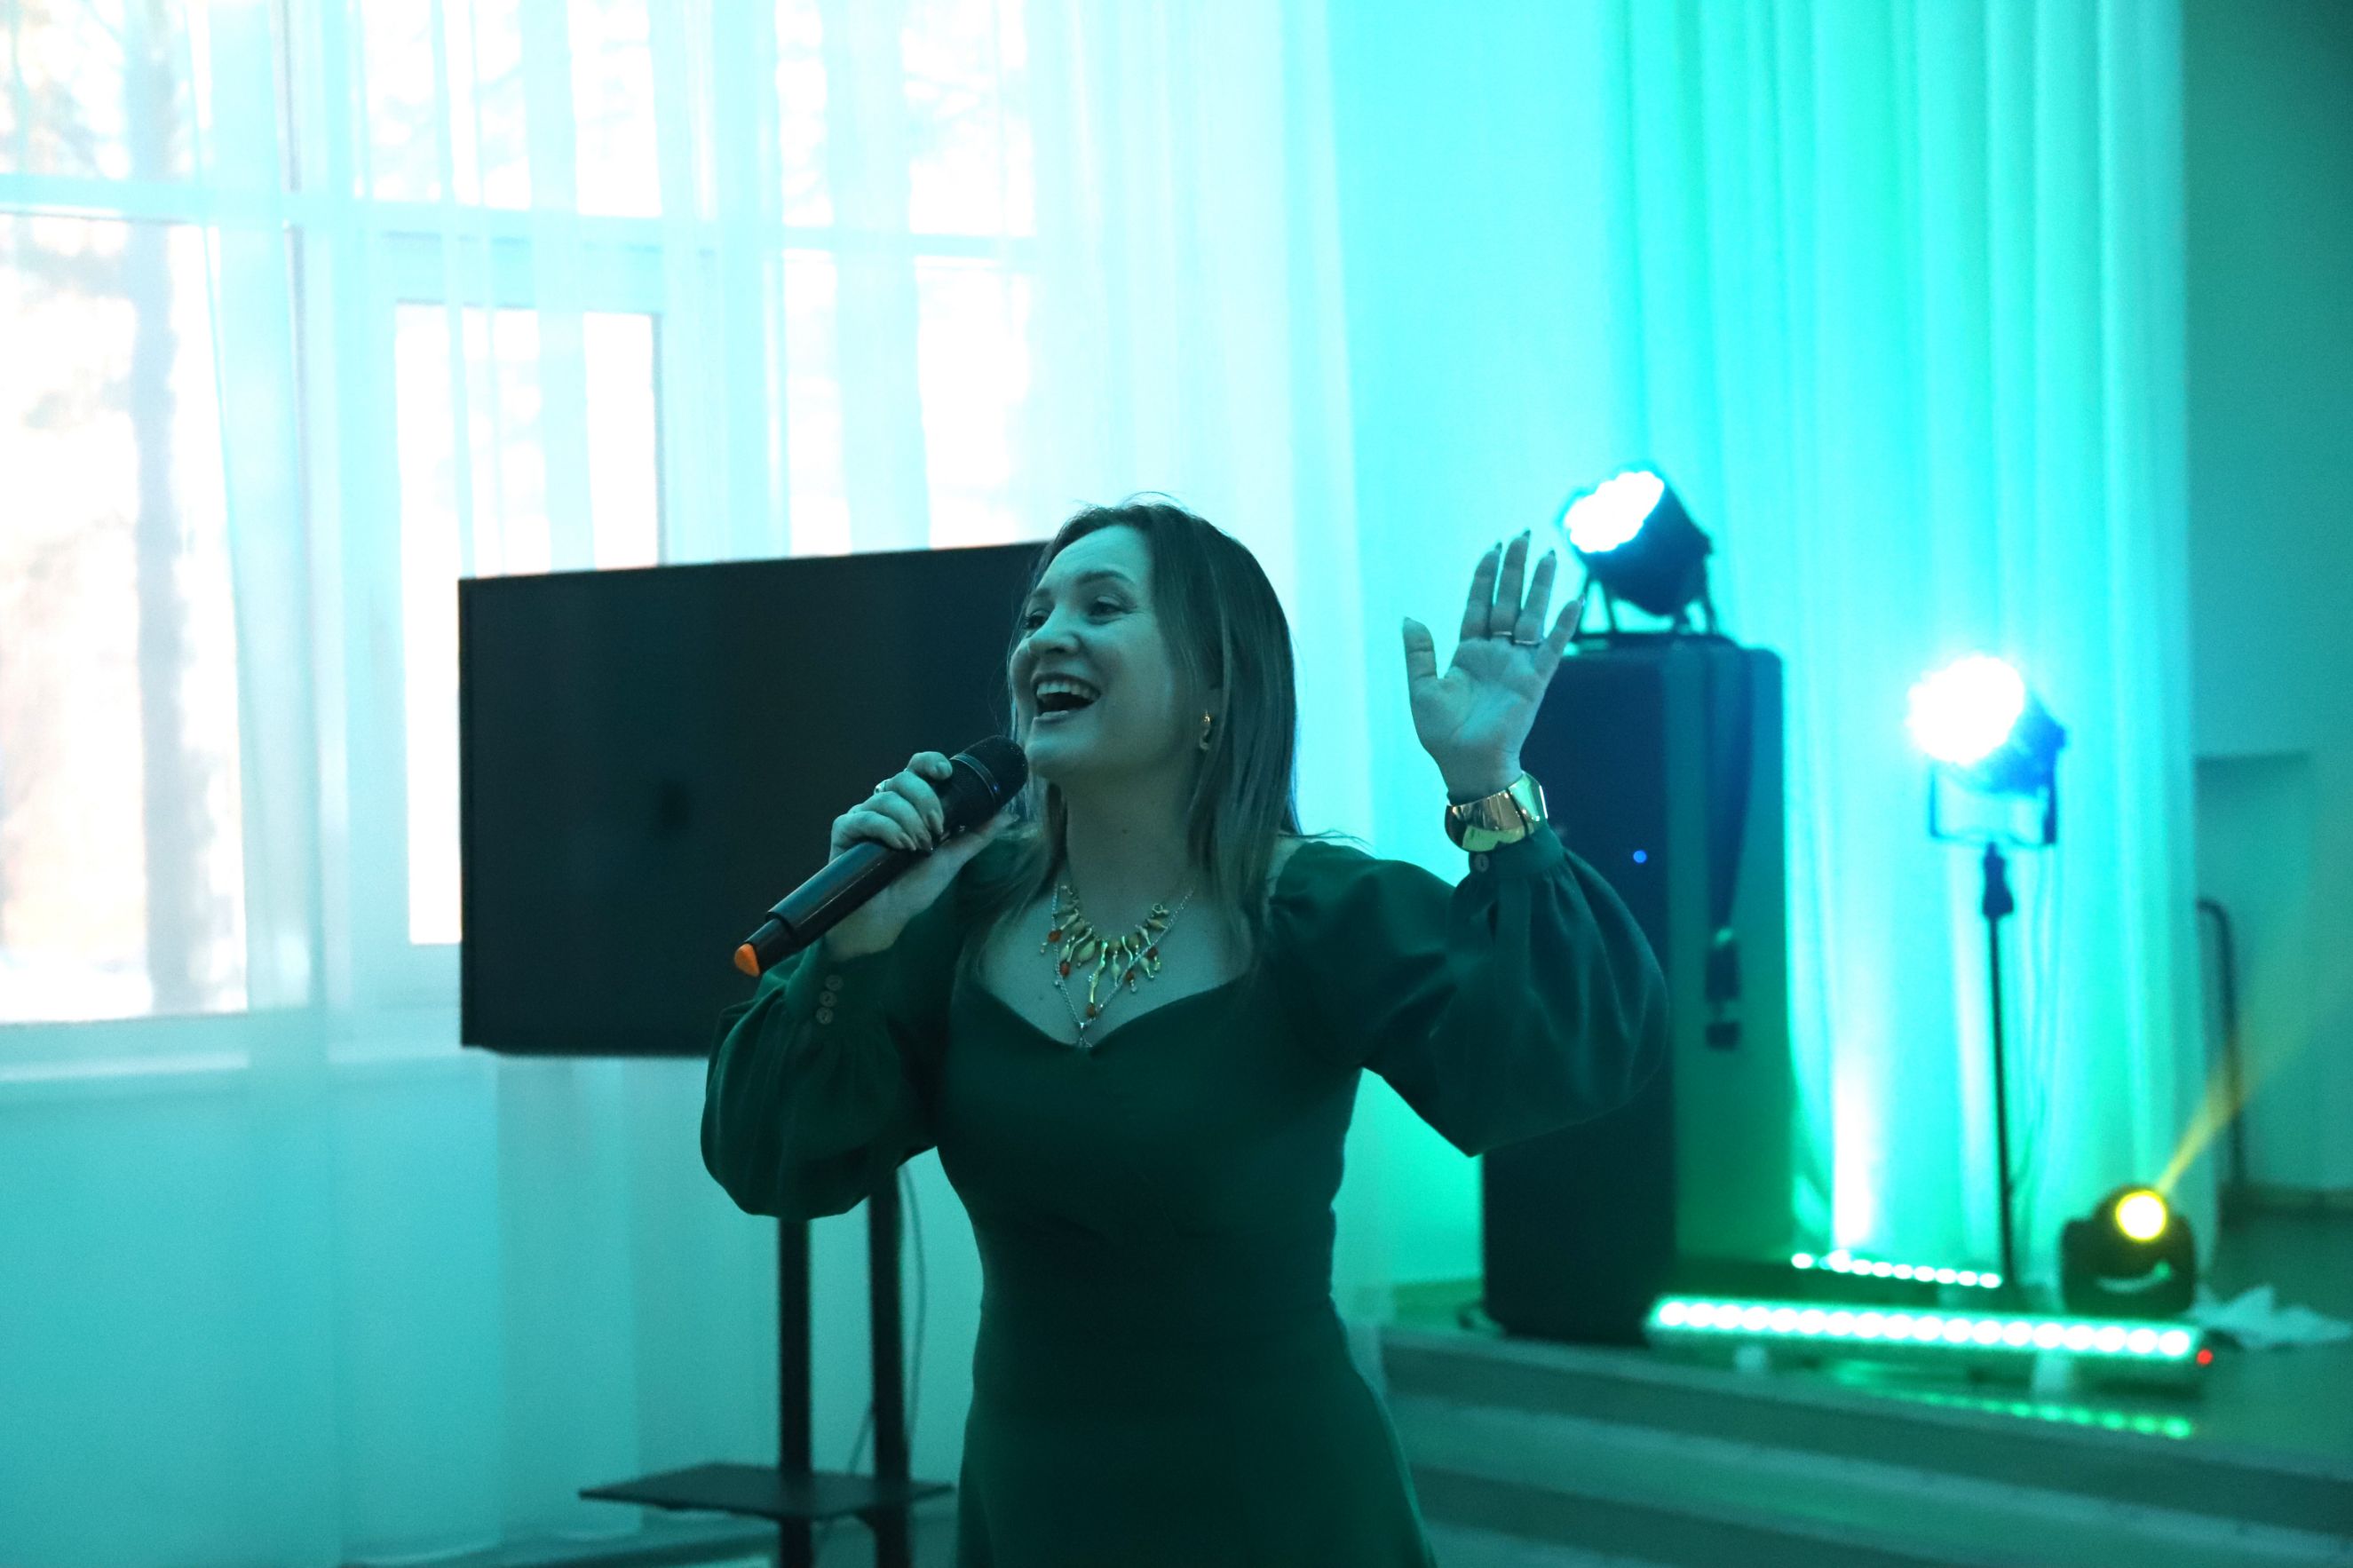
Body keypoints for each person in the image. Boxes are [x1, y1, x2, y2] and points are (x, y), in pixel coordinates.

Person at [701, 499, 1668, 1567]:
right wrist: (856, 943)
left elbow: (1564, 1054)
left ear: (1214, 681)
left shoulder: (1316, 907)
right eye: (1037, 614)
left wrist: (1488, 784)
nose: (1047, 637)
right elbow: (772, 1157)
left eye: (1102, 606)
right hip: (1033, 1515)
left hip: (1279, 1515)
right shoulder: (955, 910)